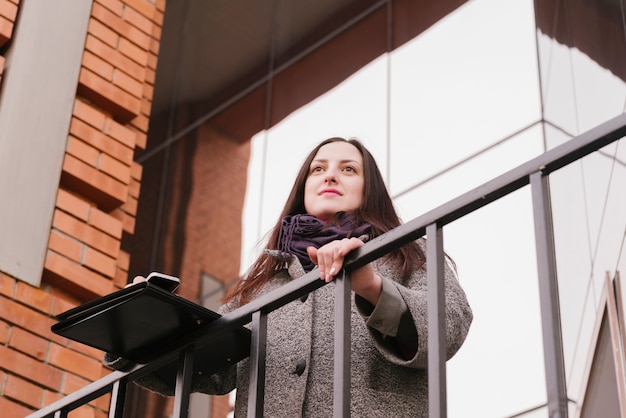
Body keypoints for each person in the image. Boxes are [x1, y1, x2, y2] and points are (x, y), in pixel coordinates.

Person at [106, 137, 473, 417]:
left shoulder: (408, 251)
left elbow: (449, 327)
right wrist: (141, 327)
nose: (330, 174)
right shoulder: (263, 283)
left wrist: (371, 287)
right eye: (318, 169)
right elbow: (209, 370)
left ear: (368, 188)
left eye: (348, 169)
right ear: (304, 188)